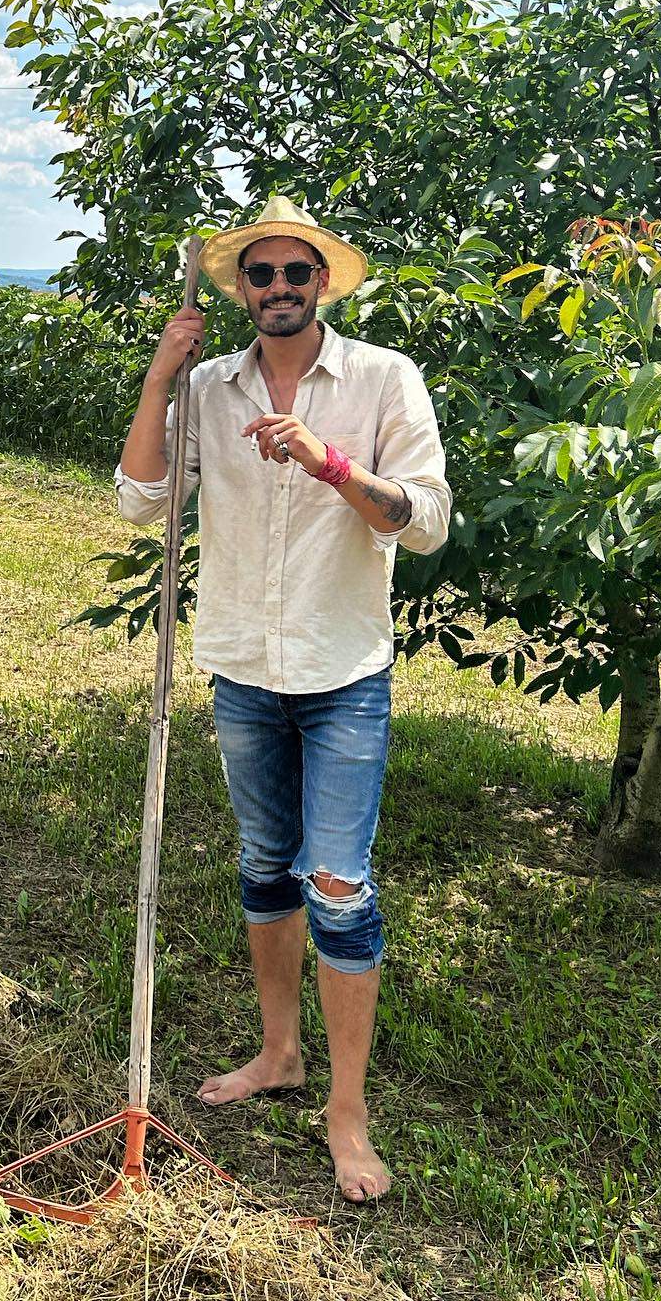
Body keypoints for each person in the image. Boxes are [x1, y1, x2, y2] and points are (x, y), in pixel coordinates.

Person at [115, 196, 451, 1203]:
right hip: (242, 670)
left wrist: (328, 461)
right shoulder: (210, 390)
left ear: (323, 283)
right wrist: (161, 375)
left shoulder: (385, 379)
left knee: (338, 886)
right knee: (266, 865)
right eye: (257, 275)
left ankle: (346, 1113)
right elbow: (140, 502)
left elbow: (426, 522)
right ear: (239, 290)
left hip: (343, 672)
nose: (276, 289)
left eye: (294, 273)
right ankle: (280, 1055)